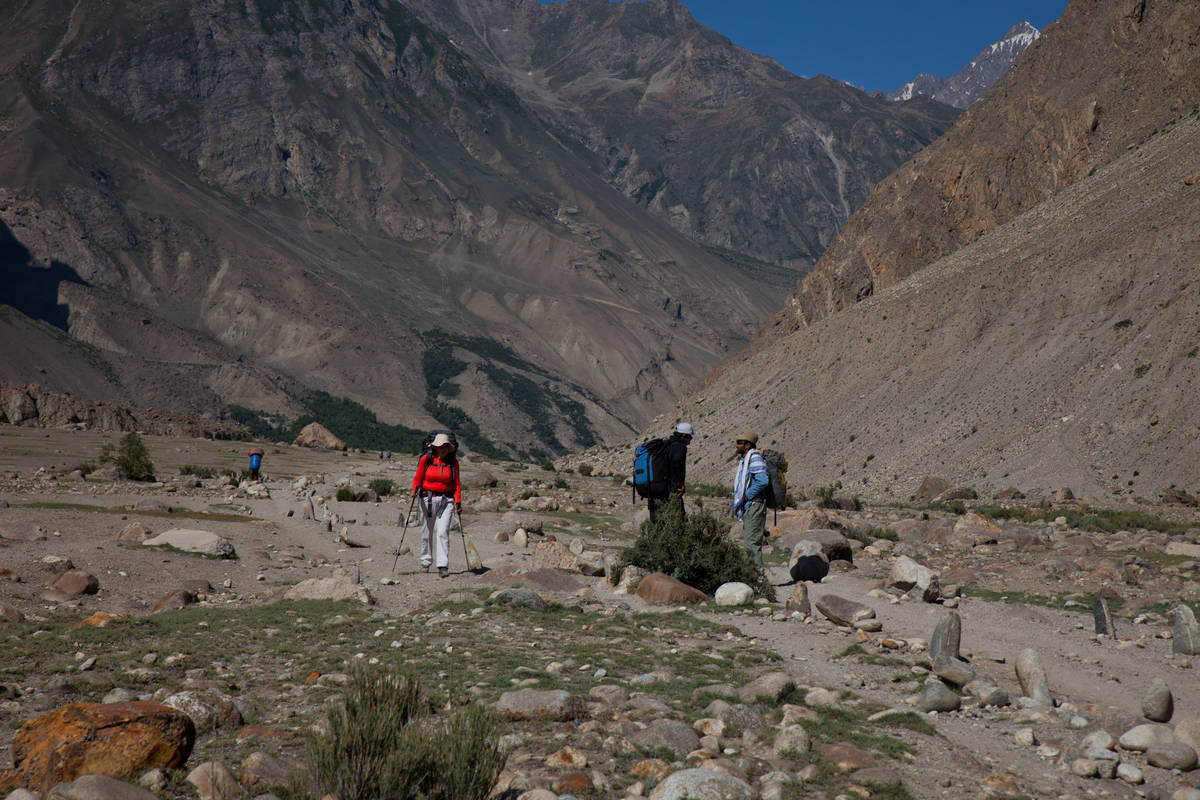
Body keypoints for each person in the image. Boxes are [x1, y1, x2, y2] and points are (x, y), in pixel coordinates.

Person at [410, 433, 462, 577]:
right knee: (426, 532)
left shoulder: (453, 463)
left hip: (447, 500)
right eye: (441, 446)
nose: (444, 449)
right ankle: (425, 562)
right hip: (428, 499)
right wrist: (415, 490)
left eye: (446, 446)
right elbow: (418, 478)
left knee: (442, 532)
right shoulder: (426, 460)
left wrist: (458, 501)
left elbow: (457, 484)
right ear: (434, 447)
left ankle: (442, 566)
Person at [732, 431, 769, 570]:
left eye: (739, 443)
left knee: (752, 545)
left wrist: (747, 495)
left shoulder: (754, 458)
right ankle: (752, 577)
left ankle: (758, 581)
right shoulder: (746, 459)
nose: (736, 445)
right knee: (749, 544)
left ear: (747, 445)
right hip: (749, 506)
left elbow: (763, 480)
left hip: (755, 504)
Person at [649, 422, 693, 522]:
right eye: (690, 438)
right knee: (678, 520)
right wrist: (681, 482)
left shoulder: (666, 444)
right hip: (669, 490)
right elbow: (677, 461)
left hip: (655, 488)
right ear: (684, 436)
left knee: (657, 521)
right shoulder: (679, 446)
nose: (690, 441)